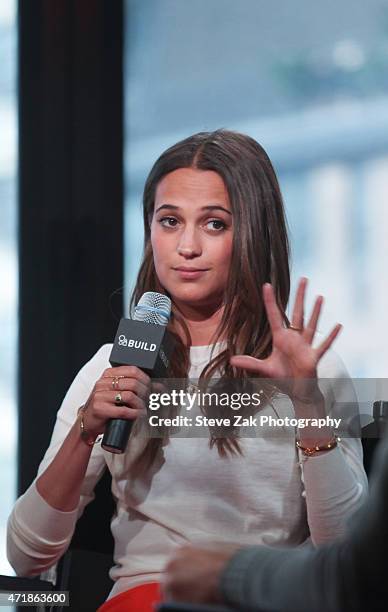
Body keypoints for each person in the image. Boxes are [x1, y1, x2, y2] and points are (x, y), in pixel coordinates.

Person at [7, 130, 367, 612]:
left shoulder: (313, 369)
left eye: (214, 224)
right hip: (147, 597)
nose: (187, 247)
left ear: (252, 235)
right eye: (169, 221)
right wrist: (84, 432)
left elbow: (344, 557)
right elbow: (27, 558)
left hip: (263, 595)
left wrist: (308, 406)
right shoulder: (111, 365)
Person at [162, 428, 388, 612]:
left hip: (280, 584)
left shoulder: (322, 378)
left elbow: (348, 564)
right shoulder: (141, 376)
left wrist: (309, 405)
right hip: (153, 579)